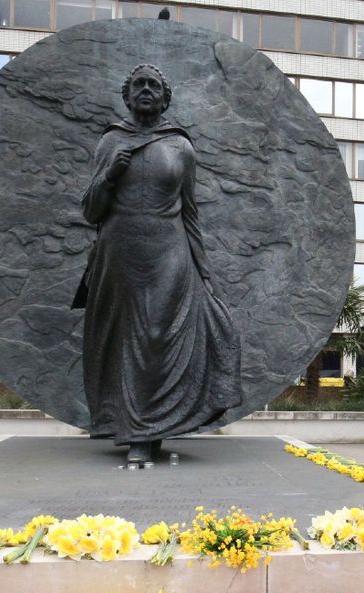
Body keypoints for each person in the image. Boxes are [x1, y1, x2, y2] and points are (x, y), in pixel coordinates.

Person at [74, 63, 241, 464]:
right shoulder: (110, 142)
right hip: (120, 255)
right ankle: (135, 432)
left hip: (170, 254)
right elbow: (90, 211)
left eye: (153, 86)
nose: (145, 90)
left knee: (157, 337)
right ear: (127, 96)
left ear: (165, 99)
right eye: (138, 85)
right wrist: (110, 174)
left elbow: (190, 213)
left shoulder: (180, 146)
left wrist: (205, 273)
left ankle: (152, 429)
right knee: (124, 342)